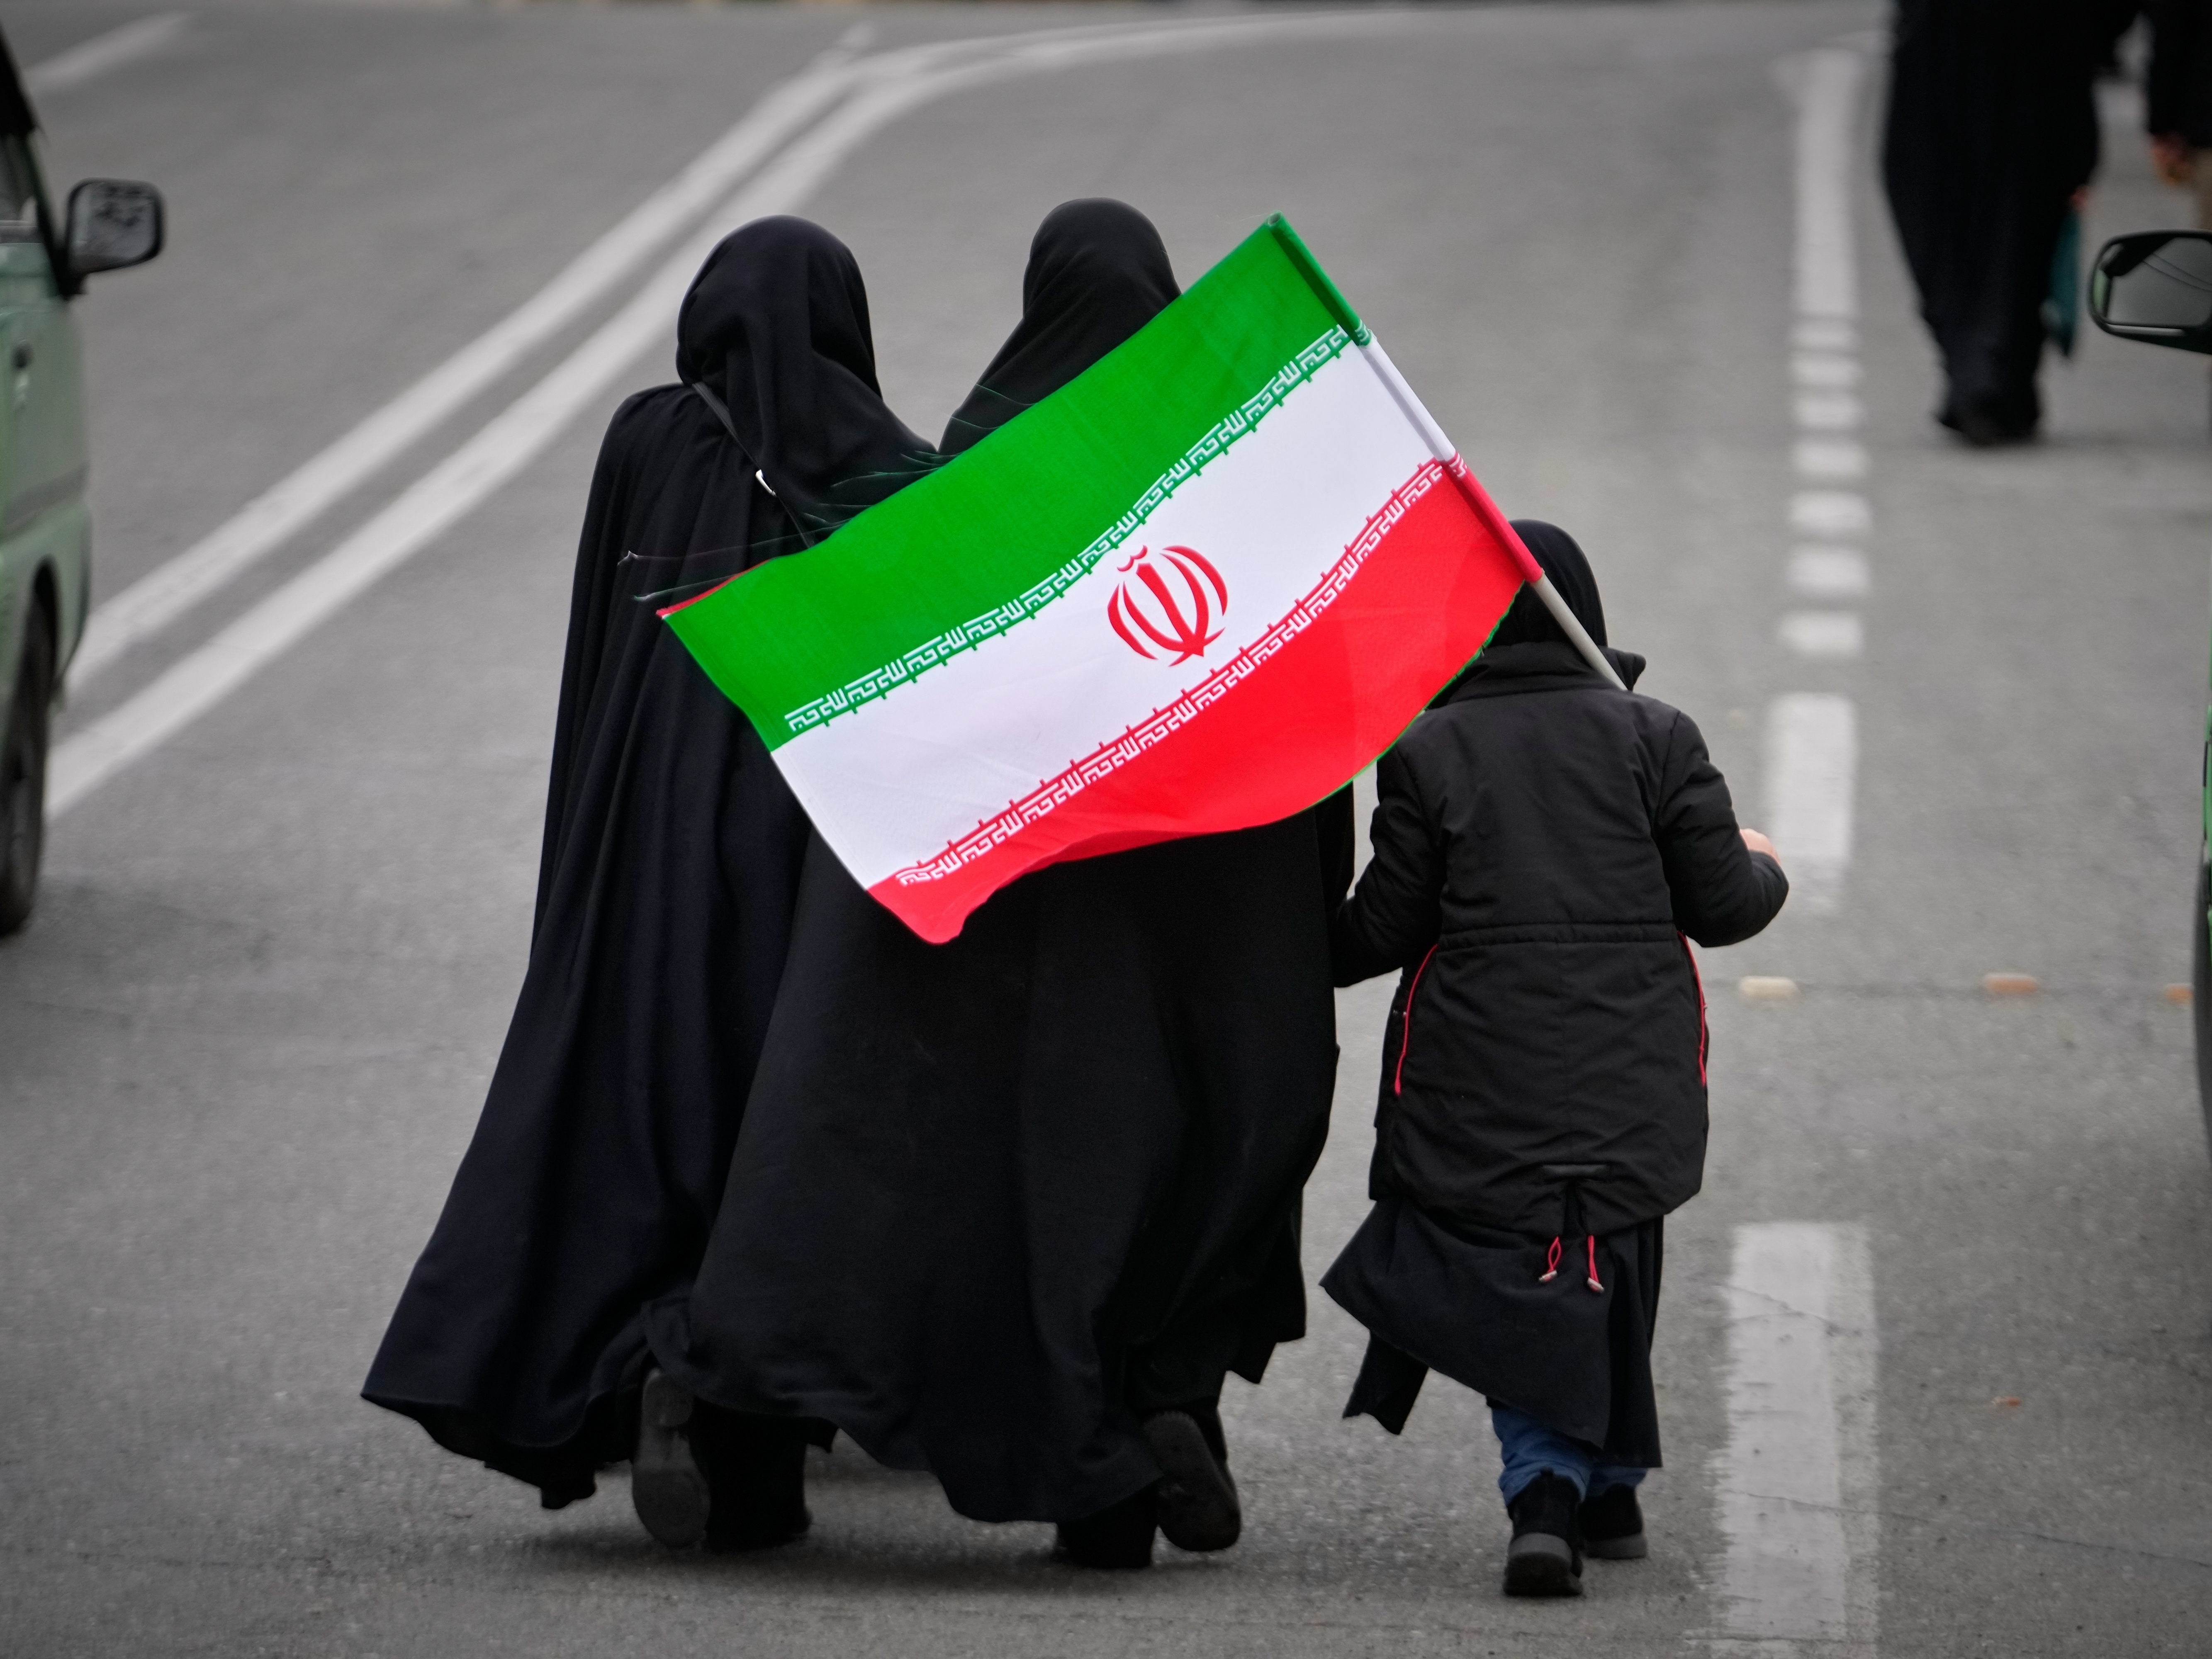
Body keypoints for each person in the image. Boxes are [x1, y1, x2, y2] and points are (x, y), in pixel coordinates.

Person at [636, 199, 1354, 1568]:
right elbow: (1310, 754)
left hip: (966, 956)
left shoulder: (968, 510)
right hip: (1178, 972)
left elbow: (879, 722)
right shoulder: (1229, 520)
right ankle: (1130, 1454)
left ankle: (757, 1434)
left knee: (907, 1193)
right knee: (1141, 1198)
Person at [361, 218, 937, 1533]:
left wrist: (583, 844)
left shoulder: (645, 437)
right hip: (799, 866)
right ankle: (741, 1424)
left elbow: (599, 641)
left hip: (643, 847)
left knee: (639, 1106)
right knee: (773, 1124)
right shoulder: (886, 473)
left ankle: (636, 1364)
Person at [1319, 522, 1788, 1598]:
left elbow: (1379, 930)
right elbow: (1724, 906)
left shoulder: (1429, 748)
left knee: (1519, 1267)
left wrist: (1271, 937)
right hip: (1635, 1066)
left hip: (1474, 1071)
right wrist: (1765, 864)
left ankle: (1565, 1488)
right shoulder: (1656, 735)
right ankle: (1572, 1489)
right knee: (1609, 1252)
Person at [1882, 0, 2139, 444]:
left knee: (1954, 249)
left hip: (1941, 89)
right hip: (2029, 90)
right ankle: (1996, 380)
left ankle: (1976, 375)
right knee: (2018, 249)